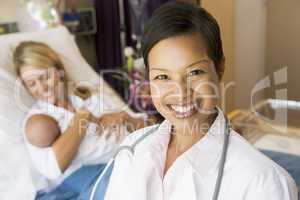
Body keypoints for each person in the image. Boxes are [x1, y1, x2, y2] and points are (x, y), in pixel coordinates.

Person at [101, 2, 298, 200]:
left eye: (195, 72)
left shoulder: (265, 185)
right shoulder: (132, 149)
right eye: (162, 77)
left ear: (220, 68)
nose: (180, 92)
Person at [13, 41, 147, 199]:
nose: (42, 89)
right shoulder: (38, 122)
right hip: (89, 176)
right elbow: (53, 169)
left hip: (132, 157)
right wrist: (82, 118)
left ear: (59, 71)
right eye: (31, 84)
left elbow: (143, 127)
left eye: (45, 77)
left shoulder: (88, 96)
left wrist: (123, 117)